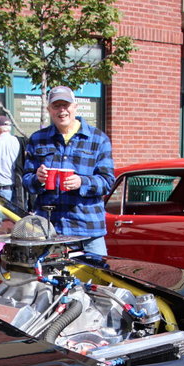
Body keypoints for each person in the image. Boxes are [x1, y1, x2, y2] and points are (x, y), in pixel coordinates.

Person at [22, 86, 115, 255]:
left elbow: (107, 182)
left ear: (75, 107)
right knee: (49, 281)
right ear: (49, 109)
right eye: (56, 106)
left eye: (66, 105)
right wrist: (37, 179)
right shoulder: (37, 139)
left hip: (87, 231)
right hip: (49, 230)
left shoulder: (98, 139)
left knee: (96, 279)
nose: (62, 110)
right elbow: (27, 181)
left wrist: (82, 182)